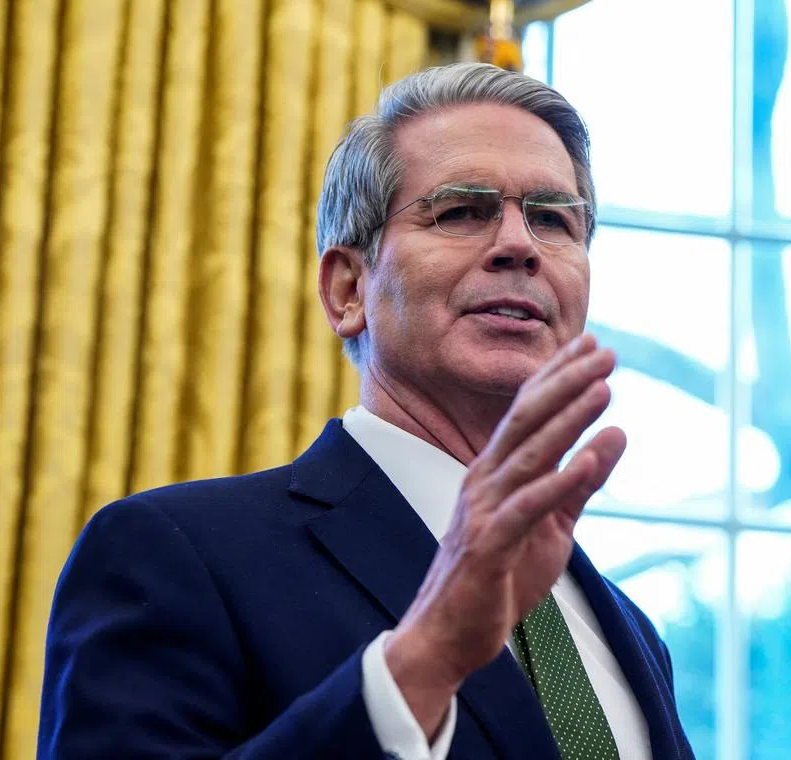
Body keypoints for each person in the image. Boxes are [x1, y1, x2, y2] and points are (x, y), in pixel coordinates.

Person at [37, 62, 695, 760]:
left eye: (554, 219)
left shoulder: (632, 632)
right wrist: (427, 656)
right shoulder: (171, 554)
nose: (519, 246)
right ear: (348, 289)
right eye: (461, 212)